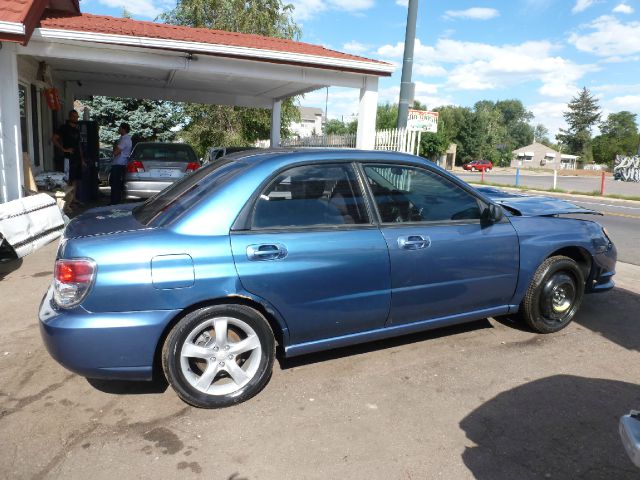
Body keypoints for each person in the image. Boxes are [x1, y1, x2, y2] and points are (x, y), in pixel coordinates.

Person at [52, 109, 85, 206]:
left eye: (77, 117)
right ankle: (67, 201)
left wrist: (82, 159)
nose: (75, 118)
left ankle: (73, 199)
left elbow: (79, 145)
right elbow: (54, 139)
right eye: (74, 116)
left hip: (77, 158)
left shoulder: (77, 130)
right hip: (68, 158)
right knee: (68, 179)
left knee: (75, 179)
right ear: (70, 117)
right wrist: (63, 149)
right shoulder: (64, 128)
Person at [110, 122, 132, 204]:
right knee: (118, 183)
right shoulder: (127, 139)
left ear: (124, 129)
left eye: (120, 128)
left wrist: (114, 145)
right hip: (122, 163)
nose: (118, 129)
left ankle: (114, 201)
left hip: (118, 163)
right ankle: (116, 200)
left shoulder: (124, 140)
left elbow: (115, 152)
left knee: (115, 183)